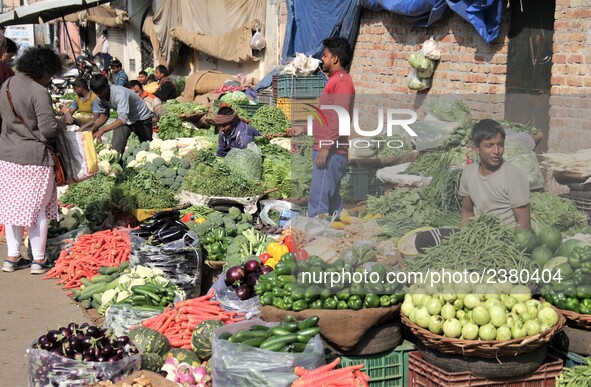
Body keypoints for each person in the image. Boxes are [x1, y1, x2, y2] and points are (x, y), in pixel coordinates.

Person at [0, 47, 65, 274]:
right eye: (50, 74)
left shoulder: (6, 86)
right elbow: (48, 130)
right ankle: (38, 260)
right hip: (35, 158)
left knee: (12, 210)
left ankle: (12, 258)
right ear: (42, 69)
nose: (50, 79)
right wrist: (62, 122)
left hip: (7, 157)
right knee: (38, 210)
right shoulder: (38, 91)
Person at [294, 36, 355, 218]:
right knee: (329, 201)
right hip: (330, 151)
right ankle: (331, 237)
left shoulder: (342, 82)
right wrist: (305, 128)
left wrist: (326, 148)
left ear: (335, 59)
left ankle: (316, 241)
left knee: (318, 203)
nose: (323, 59)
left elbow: (339, 116)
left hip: (332, 153)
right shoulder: (334, 81)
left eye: (326, 55)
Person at [459, 119, 531, 230]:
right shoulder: (468, 173)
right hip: (479, 236)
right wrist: (463, 239)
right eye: (489, 145)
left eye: (500, 145)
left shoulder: (513, 175)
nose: (496, 151)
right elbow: (467, 212)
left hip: (507, 240)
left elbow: (524, 224)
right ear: (477, 148)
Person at [88, 74, 153, 158]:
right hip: (125, 120)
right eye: (96, 93)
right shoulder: (99, 97)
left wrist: (103, 130)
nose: (99, 95)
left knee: (146, 148)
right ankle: (117, 167)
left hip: (141, 118)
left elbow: (122, 119)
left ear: (106, 86)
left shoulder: (120, 93)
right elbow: (104, 114)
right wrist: (95, 126)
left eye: (100, 92)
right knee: (116, 149)